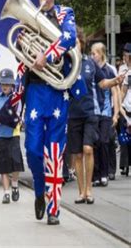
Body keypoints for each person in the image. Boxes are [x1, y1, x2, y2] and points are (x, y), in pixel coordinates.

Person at [20, 0, 77, 226]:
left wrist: (49, 55)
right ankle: (40, 190)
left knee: (55, 151)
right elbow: (22, 55)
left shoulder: (65, 13)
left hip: (56, 91)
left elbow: (69, 37)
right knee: (32, 149)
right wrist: (23, 46)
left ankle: (54, 207)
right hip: (34, 89)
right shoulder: (31, 16)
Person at [67, 31, 123, 205]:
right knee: (76, 155)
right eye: (72, 42)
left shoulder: (90, 63)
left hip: (91, 112)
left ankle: (89, 190)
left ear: (82, 43)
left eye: (77, 42)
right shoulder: (65, 64)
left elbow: (102, 83)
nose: (74, 45)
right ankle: (81, 192)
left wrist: (115, 80)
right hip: (73, 114)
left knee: (88, 149)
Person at [0, 69, 24, 204]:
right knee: (3, 165)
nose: (4, 86)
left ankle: (14, 183)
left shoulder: (16, 99)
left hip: (13, 134)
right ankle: (6, 192)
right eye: (2, 83)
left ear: (12, 85)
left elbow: (18, 115)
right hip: (1, 135)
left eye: (7, 84)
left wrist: (11, 118)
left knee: (15, 163)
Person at [90, 42, 119, 187]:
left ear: (101, 54)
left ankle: (104, 173)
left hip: (106, 112)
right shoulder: (91, 70)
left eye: (94, 53)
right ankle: (95, 175)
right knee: (94, 143)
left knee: (104, 141)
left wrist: (116, 113)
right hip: (94, 111)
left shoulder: (109, 70)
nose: (92, 55)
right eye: (91, 53)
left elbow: (115, 92)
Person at [118, 43, 131, 176]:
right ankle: (124, 164)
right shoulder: (122, 69)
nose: (126, 56)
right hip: (125, 105)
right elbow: (120, 89)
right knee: (124, 137)